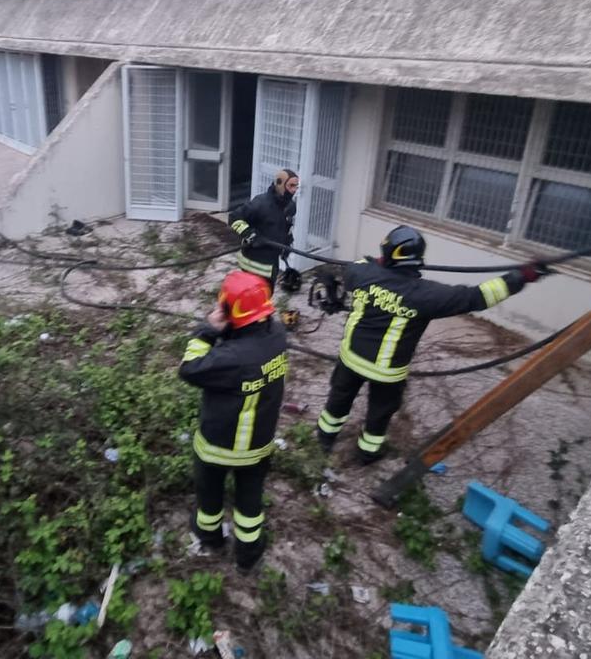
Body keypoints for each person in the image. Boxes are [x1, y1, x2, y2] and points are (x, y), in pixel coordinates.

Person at [316, 225, 546, 463]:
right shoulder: (426, 295)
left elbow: (360, 264)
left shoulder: (360, 273)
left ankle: (324, 440)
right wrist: (522, 276)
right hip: (386, 371)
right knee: (379, 412)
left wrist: (382, 266)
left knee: (339, 398)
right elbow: (478, 297)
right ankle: (367, 453)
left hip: (350, 356)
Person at [179, 271, 288, 572]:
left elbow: (189, 369)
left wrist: (207, 331)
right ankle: (248, 556)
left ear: (228, 308)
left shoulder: (228, 358)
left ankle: (210, 536)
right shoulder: (278, 336)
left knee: (210, 495)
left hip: (217, 446)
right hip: (257, 446)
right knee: (249, 501)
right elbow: (250, 340)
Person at [228, 169, 299, 289]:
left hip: (272, 265)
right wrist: (250, 234)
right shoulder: (260, 203)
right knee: (252, 299)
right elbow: (234, 218)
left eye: (296, 186)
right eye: (291, 186)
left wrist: (287, 242)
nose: (294, 190)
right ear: (279, 183)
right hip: (252, 263)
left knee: (265, 296)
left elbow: (286, 226)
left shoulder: (290, 206)